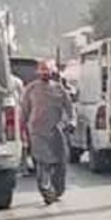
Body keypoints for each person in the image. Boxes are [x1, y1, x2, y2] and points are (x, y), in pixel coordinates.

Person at [20, 60, 74, 205]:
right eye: (42, 70)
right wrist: (22, 131)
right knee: (43, 162)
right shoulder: (31, 89)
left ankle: (57, 190)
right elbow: (24, 111)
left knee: (60, 162)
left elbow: (69, 108)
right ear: (38, 72)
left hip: (57, 131)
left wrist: (71, 122)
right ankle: (46, 191)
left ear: (52, 71)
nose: (45, 73)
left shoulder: (59, 88)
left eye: (48, 70)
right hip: (37, 131)